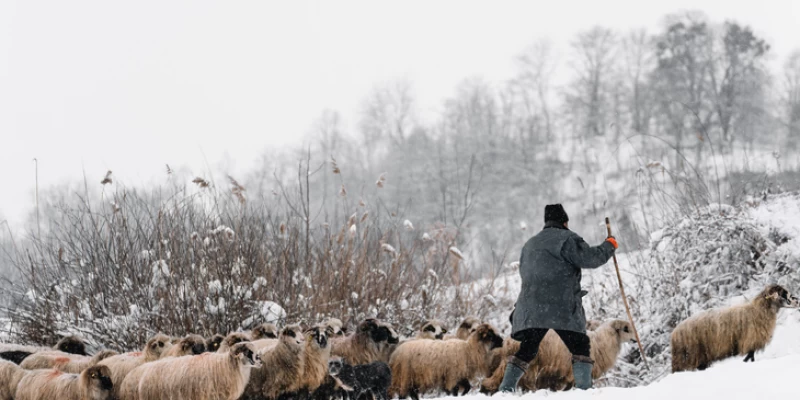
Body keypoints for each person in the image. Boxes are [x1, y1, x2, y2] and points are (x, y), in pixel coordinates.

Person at [498, 204, 618, 392]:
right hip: (560, 308)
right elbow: (591, 259)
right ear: (565, 221)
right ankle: (584, 391)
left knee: (528, 348)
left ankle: (505, 390)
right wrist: (609, 245)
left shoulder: (529, 244)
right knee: (581, 345)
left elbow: (526, 274)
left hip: (531, 308)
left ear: (546, 222)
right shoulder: (567, 239)